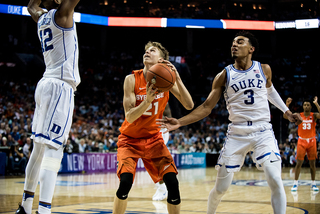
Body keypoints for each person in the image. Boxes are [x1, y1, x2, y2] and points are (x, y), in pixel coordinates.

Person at [157, 31, 302, 214]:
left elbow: (270, 91)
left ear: (251, 49)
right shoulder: (223, 75)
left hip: (262, 131)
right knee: (220, 189)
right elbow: (206, 107)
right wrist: (179, 122)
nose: (234, 45)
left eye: (240, 42)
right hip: (237, 133)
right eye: (233, 42)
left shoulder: (264, 69)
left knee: (275, 178)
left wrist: (287, 112)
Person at [112, 41, 194, 214]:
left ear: (162, 60)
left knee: (173, 183)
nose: (147, 52)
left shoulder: (167, 81)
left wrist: (177, 78)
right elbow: (129, 116)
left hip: (154, 140)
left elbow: (189, 105)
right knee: (125, 182)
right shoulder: (131, 79)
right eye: (146, 50)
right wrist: (147, 101)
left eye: (152, 50)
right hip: (129, 141)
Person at [16, 0, 81, 213]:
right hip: (60, 87)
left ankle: (25, 207)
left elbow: (31, 6)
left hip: (45, 84)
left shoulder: (41, 17)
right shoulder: (62, 15)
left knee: (38, 150)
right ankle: (44, 210)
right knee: (54, 152)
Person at [284, 97, 320, 192]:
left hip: (312, 141)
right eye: (305, 105)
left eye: (308, 105)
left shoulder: (314, 115)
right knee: (299, 163)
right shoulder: (298, 115)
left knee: (313, 164)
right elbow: (285, 116)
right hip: (301, 141)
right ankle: (295, 183)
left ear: (311, 107)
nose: (306, 106)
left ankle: (313, 183)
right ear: (303, 106)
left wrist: (316, 104)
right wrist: (287, 105)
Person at [153, 103, 172, 201]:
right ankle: (161, 185)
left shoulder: (163, 98)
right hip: (151, 131)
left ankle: (163, 187)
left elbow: (169, 117)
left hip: (161, 130)